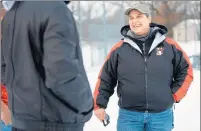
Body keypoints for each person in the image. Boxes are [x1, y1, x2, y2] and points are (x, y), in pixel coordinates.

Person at [93, 3, 193, 131]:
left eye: (139, 16)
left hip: (161, 116)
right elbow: (105, 78)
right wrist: (99, 105)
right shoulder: (119, 49)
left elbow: (186, 70)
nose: (134, 21)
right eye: (131, 18)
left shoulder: (169, 46)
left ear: (149, 19)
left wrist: (173, 95)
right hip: (129, 116)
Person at [1, 1, 93, 131]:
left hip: (22, 121)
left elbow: (4, 68)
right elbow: (60, 72)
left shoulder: (12, 13)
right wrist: (85, 105)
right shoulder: (55, 10)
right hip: (55, 121)